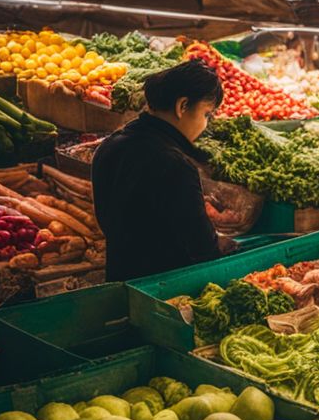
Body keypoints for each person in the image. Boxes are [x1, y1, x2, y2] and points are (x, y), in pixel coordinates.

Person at [92, 59, 223, 281]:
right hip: (166, 290)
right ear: (182, 106)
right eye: (206, 114)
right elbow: (203, 249)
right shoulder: (174, 165)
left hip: (120, 278)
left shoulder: (110, 145)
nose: (205, 125)